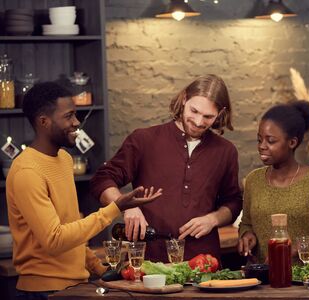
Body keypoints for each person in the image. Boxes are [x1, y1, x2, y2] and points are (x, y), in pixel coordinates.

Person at [6, 82, 162, 299]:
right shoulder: (27, 171)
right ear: (44, 121)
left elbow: (70, 227)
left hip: (75, 285)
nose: (76, 123)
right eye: (69, 116)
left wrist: (101, 269)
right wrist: (114, 208)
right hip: (43, 291)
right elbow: (55, 240)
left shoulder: (64, 159)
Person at [90, 74, 242, 262]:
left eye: (208, 116)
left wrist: (213, 219)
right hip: (149, 259)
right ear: (184, 98)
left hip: (204, 260)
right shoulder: (144, 140)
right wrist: (125, 205)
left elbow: (233, 202)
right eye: (194, 111)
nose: (198, 121)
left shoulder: (226, 151)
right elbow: (102, 179)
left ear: (220, 113)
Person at [238, 101, 309, 263]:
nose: (262, 147)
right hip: (262, 280)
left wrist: (295, 250)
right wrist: (247, 235)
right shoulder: (253, 180)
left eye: (270, 141)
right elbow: (247, 224)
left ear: (292, 142)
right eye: (259, 140)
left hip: (305, 279)